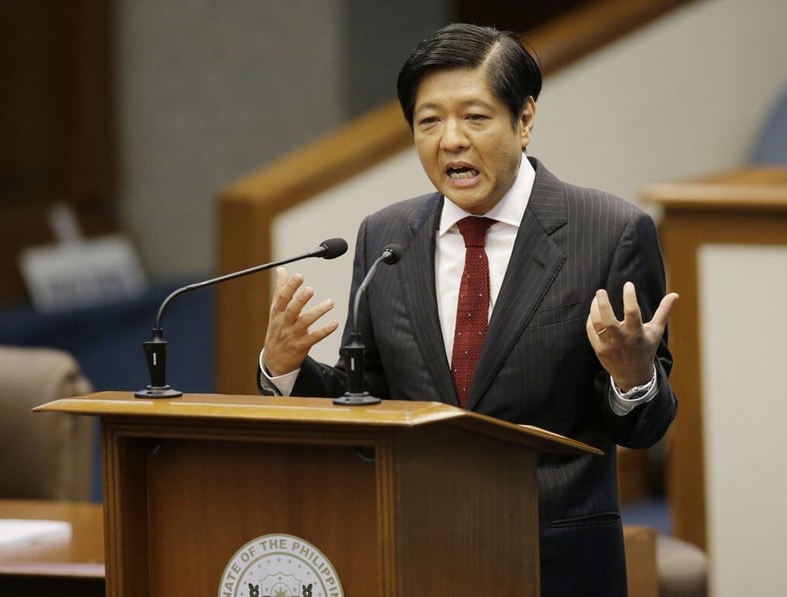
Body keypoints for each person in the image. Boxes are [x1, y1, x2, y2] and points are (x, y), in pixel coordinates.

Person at [258, 23, 678, 596]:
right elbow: (365, 401)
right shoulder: (387, 237)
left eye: (474, 117)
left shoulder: (610, 233)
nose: (450, 140)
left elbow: (645, 428)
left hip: (553, 562)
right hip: (412, 552)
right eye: (429, 121)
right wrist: (283, 368)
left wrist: (632, 378)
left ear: (524, 120)